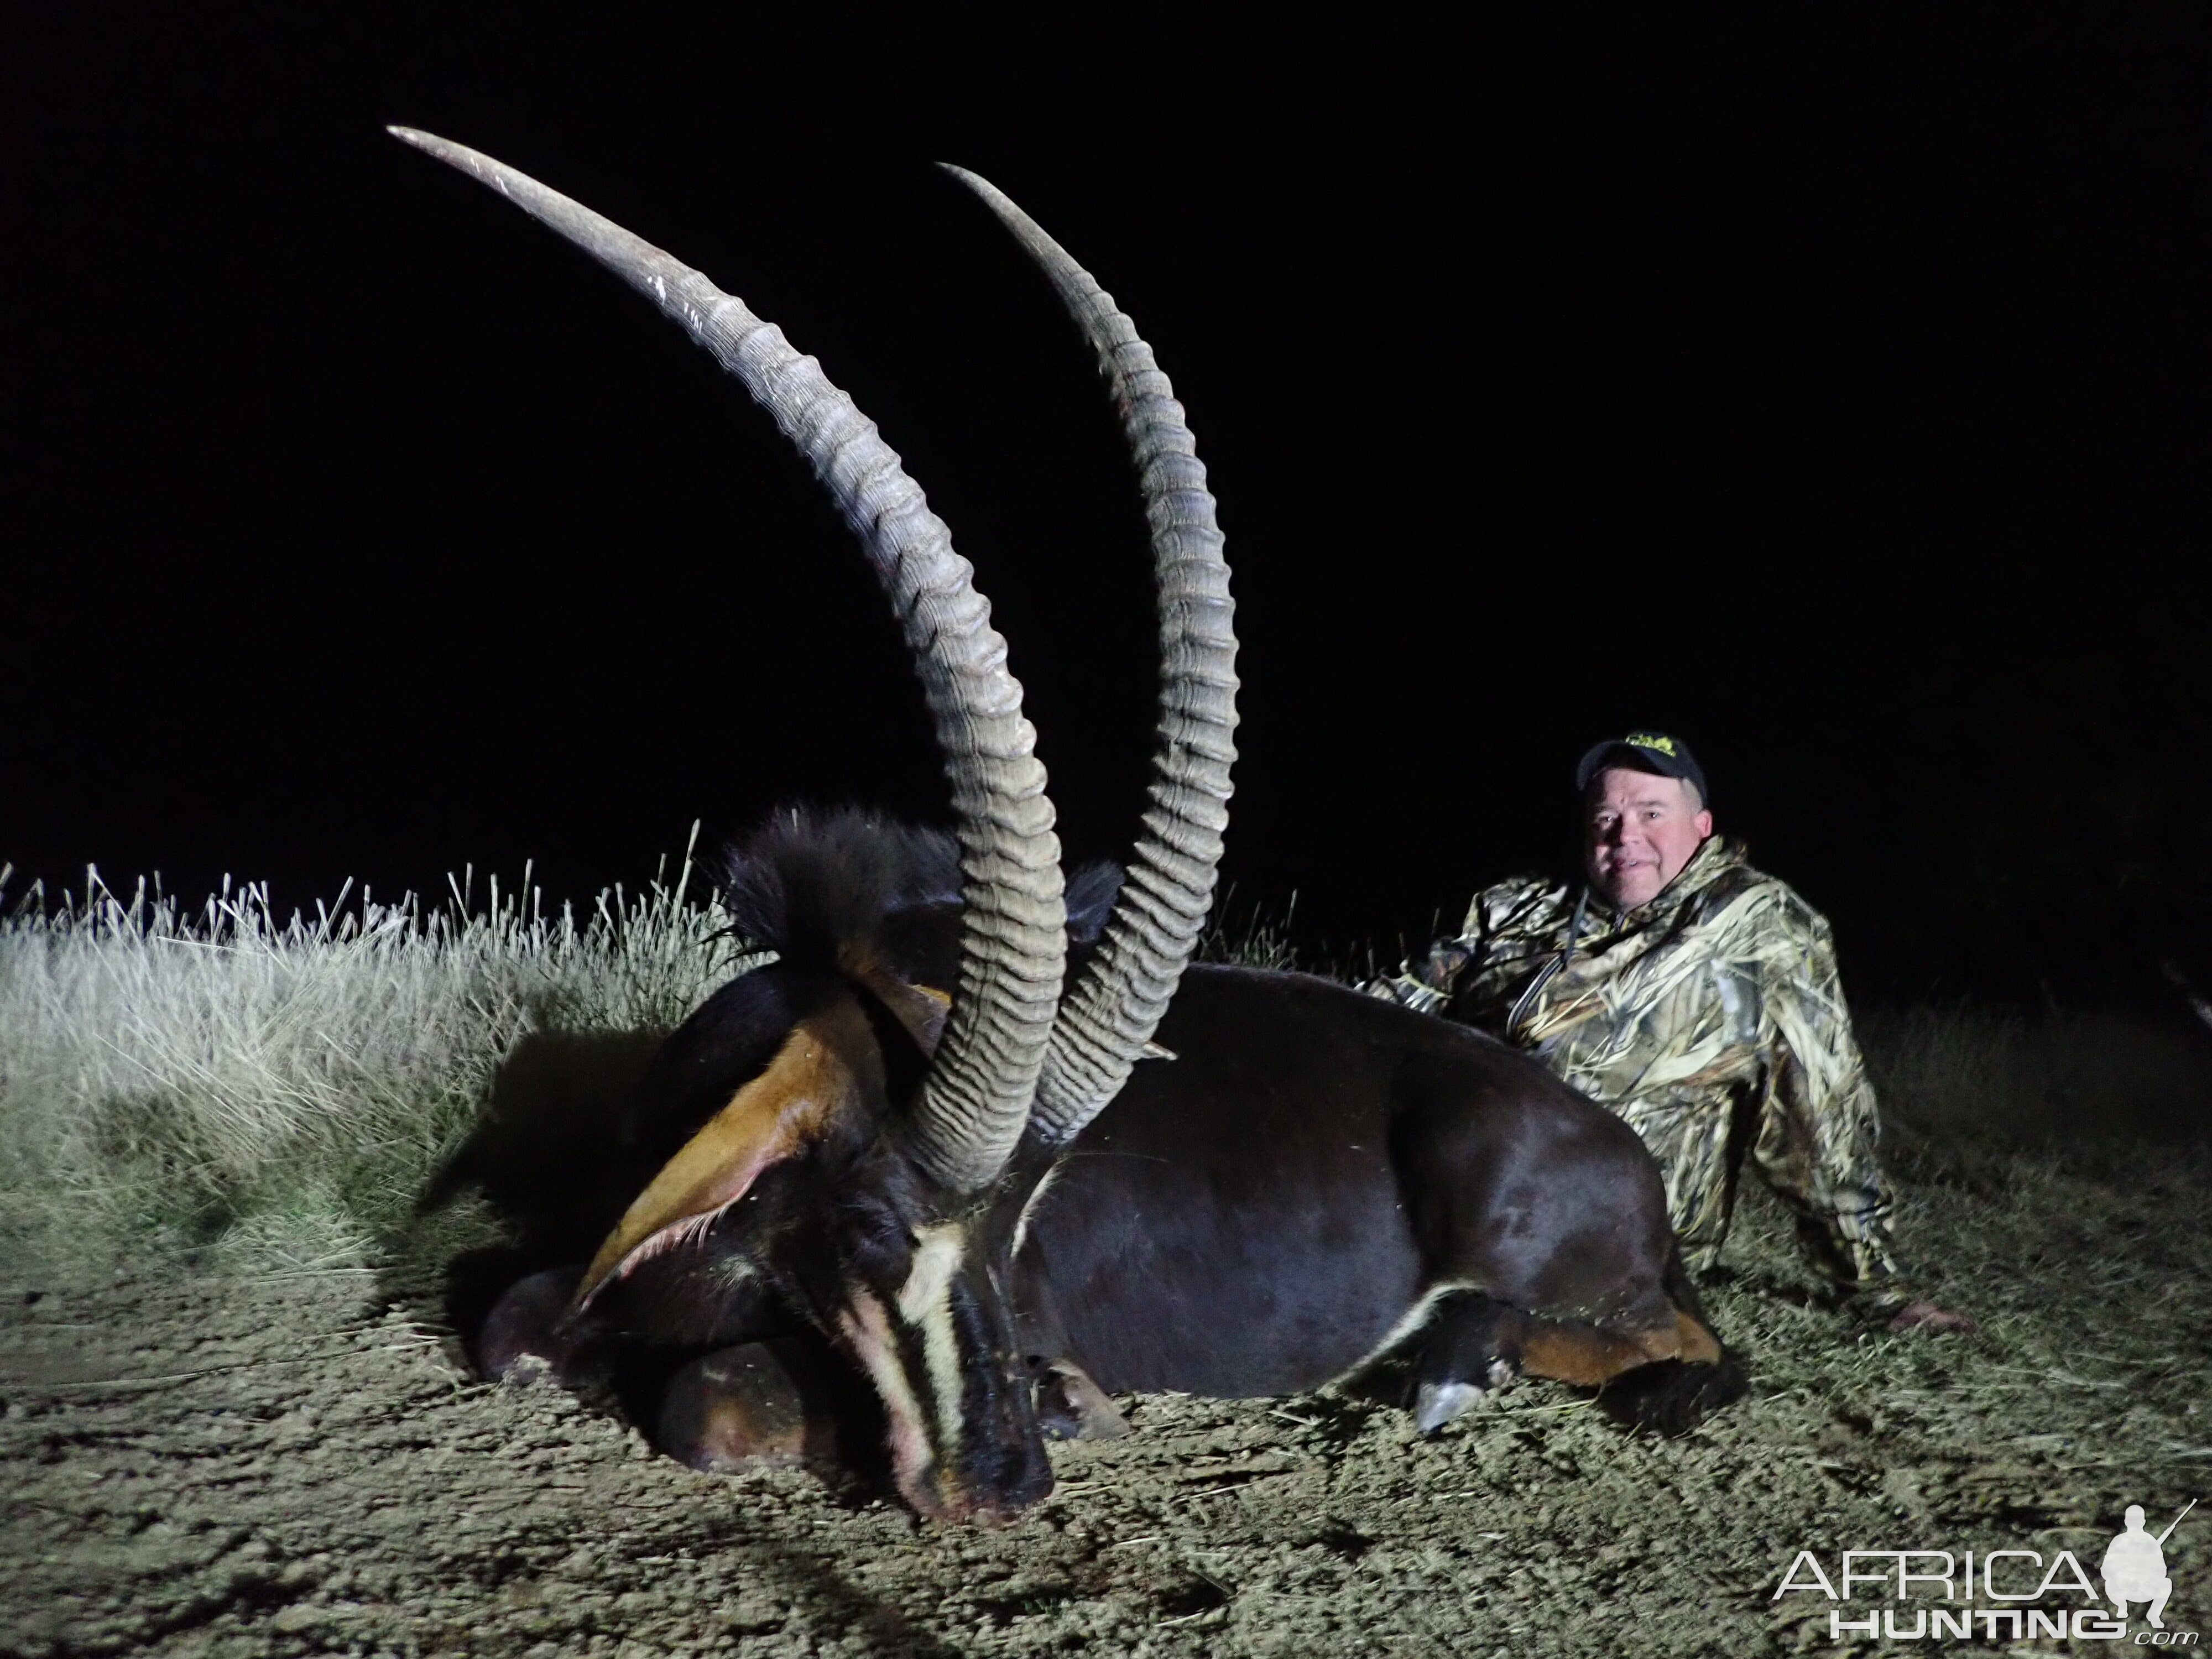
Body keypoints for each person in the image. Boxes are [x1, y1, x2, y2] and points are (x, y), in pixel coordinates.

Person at [1367, 731, 1970, 1333]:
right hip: (1442, 1197)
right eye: (1606, 815)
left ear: (1702, 825)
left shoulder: (1758, 925)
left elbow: (1820, 1109)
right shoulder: (1513, 907)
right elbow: (1394, 1009)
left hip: (1607, 1239)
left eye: (1651, 814)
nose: (1624, 834)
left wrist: (1875, 1287)